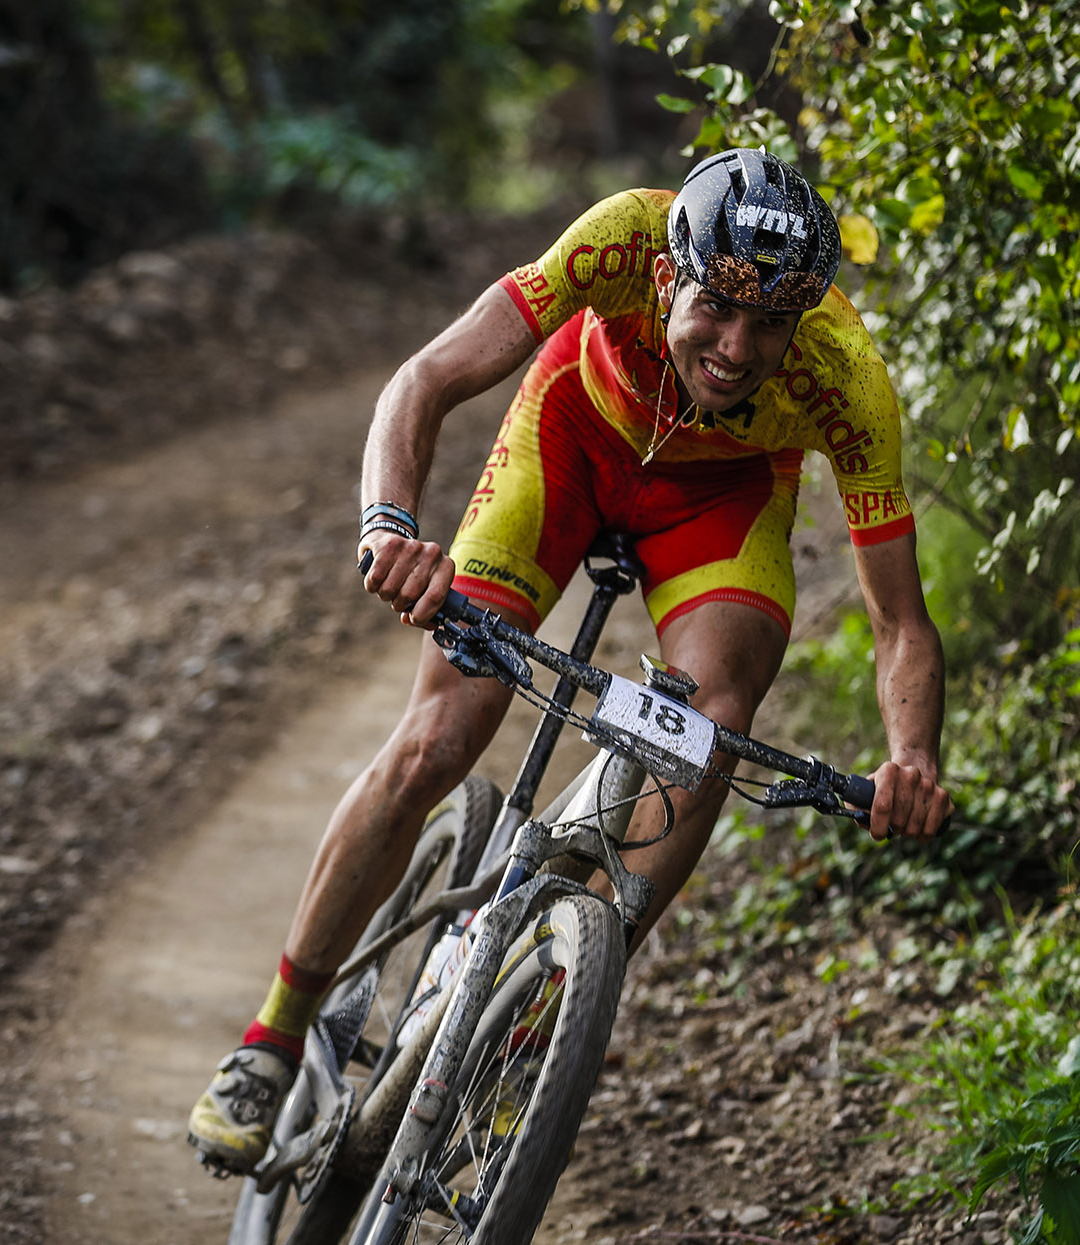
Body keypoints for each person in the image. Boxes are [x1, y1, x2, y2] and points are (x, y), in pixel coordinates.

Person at [188, 147, 953, 1172]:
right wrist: (386, 528)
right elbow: (424, 380)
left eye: (769, 325)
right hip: (574, 432)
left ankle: (537, 1029)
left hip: (717, 498)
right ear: (667, 276)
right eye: (716, 310)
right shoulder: (619, 236)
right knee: (439, 737)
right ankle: (272, 1040)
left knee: (712, 728)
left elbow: (899, 619)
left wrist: (910, 755)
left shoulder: (845, 375)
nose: (737, 348)